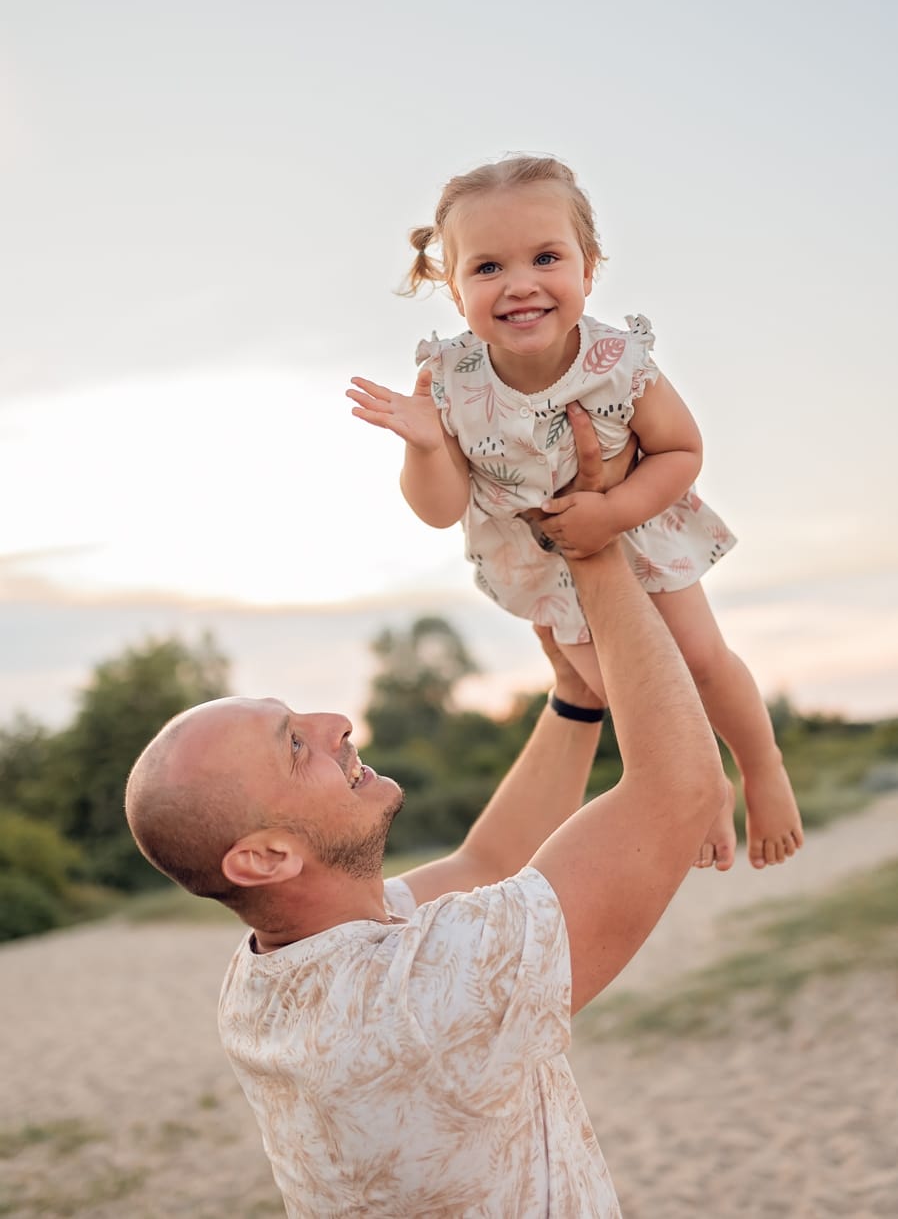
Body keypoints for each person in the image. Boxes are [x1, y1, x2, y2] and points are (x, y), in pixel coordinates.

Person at [124, 418, 728, 1218]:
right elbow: (676, 793)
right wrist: (596, 542)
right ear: (264, 858)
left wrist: (577, 699)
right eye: (294, 744)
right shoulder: (413, 1003)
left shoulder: (274, 976)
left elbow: (487, 866)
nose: (336, 722)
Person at [347, 153, 803, 871]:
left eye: (546, 257)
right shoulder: (448, 380)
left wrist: (614, 511)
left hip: (639, 530)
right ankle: (701, 782)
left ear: (588, 270)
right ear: (454, 288)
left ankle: (762, 765)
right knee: (620, 690)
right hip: (535, 559)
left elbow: (681, 450)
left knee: (703, 662)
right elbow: (440, 511)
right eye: (488, 268)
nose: (519, 284)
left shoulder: (618, 361)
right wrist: (428, 445)